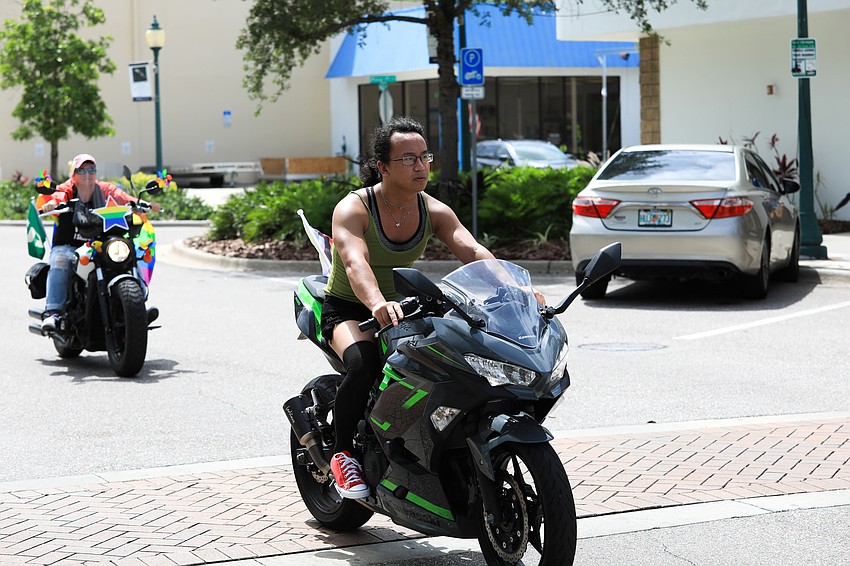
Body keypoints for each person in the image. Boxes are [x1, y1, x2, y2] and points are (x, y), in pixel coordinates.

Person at [320, 116, 499, 499]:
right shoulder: (354, 208)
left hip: (403, 309)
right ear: (383, 167)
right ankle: (343, 453)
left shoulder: (433, 209)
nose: (421, 166)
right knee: (364, 362)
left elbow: (473, 252)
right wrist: (377, 302)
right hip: (350, 308)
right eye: (408, 159)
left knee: (450, 362)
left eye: (424, 156)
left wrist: (516, 288)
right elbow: (355, 262)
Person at [38, 153, 161, 332]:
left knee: (131, 255)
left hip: (99, 242)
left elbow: (122, 197)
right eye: (82, 170)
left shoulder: (103, 189)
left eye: (91, 169)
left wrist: (143, 204)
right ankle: (54, 314)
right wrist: (52, 204)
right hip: (69, 245)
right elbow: (57, 197)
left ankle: (138, 307)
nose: (87, 174)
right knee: (59, 260)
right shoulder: (67, 189)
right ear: (74, 173)